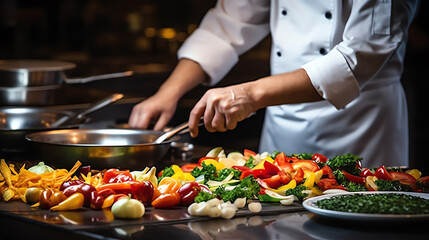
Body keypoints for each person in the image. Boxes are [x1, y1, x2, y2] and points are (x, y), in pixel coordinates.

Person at [129, 0, 419, 168]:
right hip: (283, 123)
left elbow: (362, 52)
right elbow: (229, 21)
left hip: (361, 125)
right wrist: (168, 93)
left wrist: (252, 94)